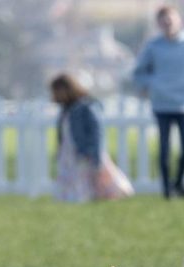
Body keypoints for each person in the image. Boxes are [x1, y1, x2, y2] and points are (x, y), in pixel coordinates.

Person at [133, 5, 184, 200]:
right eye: (164, 21)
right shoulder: (153, 47)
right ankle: (166, 189)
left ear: (178, 20)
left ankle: (178, 182)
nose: (168, 24)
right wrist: (151, 83)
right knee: (164, 148)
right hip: (162, 104)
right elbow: (138, 72)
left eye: (170, 19)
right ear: (159, 24)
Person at [50, 74, 134, 203]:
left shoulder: (85, 107)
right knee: (74, 180)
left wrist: (94, 152)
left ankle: (94, 198)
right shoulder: (66, 110)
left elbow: (96, 132)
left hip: (84, 150)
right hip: (70, 153)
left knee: (96, 177)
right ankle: (74, 199)